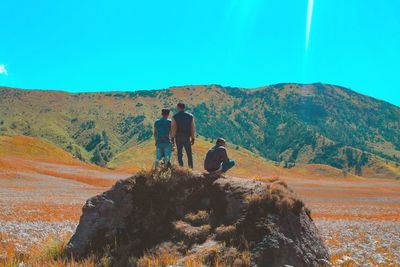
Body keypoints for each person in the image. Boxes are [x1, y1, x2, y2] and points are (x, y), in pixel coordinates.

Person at [171, 103, 196, 168]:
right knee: (189, 153)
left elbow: (173, 128)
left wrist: (172, 138)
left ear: (178, 108)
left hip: (178, 136)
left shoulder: (175, 117)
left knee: (179, 153)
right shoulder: (190, 116)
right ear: (184, 108)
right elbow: (192, 127)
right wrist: (193, 138)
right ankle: (190, 168)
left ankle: (181, 167)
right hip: (186, 136)